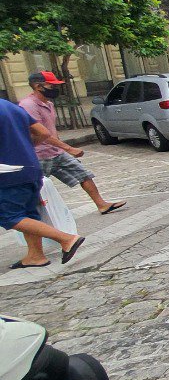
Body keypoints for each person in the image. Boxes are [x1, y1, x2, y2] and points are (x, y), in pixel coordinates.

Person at [20, 72, 126, 216]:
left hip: (56, 152)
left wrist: (61, 147)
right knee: (35, 188)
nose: (55, 88)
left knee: (83, 174)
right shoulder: (28, 105)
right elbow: (41, 133)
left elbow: (51, 130)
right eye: (52, 85)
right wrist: (68, 148)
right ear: (38, 86)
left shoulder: (49, 103)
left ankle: (102, 205)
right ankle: (33, 218)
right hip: (38, 155)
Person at [1, 99, 85, 269]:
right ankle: (35, 255)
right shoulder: (9, 105)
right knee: (29, 213)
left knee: (9, 216)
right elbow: (43, 133)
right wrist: (23, 147)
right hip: (31, 166)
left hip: (7, 172)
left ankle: (66, 239)